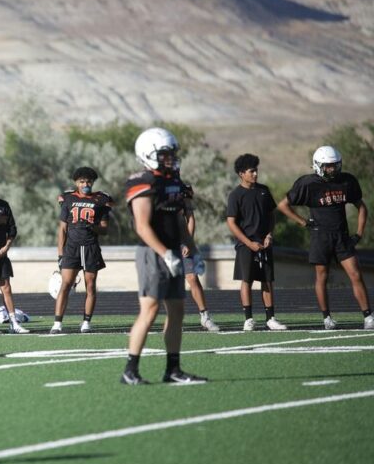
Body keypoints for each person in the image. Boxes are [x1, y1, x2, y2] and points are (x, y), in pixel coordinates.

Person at [121, 128, 208, 385]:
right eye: (164, 154)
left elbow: (178, 222)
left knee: (178, 310)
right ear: (148, 154)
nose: (170, 158)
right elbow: (142, 226)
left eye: (172, 153)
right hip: (152, 253)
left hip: (172, 252)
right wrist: (165, 253)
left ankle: (173, 369)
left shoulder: (174, 181)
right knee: (149, 309)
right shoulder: (142, 181)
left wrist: (192, 250)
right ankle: (130, 370)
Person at [277, 145, 373, 330]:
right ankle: (326, 318)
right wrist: (303, 222)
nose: (332, 169)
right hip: (320, 237)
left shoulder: (347, 181)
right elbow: (283, 205)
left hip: (342, 237)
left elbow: (361, 207)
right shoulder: (307, 184)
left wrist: (359, 233)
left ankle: (368, 316)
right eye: (328, 166)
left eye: (335, 165)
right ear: (318, 165)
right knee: (322, 276)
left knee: (355, 273)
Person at [226, 154, 287, 331]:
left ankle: (270, 319)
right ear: (241, 173)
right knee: (247, 281)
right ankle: (249, 319)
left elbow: (271, 216)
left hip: (264, 244)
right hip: (246, 246)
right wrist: (248, 243)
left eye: (256, 170)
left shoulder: (264, 191)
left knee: (267, 281)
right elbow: (231, 222)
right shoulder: (235, 195)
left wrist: (269, 235)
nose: (255, 174)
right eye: (251, 171)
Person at [52, 167, 111, 334]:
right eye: (82, 181)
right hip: (72, 248)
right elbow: (62, 229)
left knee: (90, 286)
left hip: (91, 247)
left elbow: (105, 229)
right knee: (65, 285)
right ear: (76, 182)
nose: (85, 184)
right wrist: (60, 254)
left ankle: (86, 322)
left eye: (88, 181)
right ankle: (57, 323)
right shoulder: (69, 199)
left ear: (93, 182)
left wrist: (94, 227)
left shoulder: (101, 200)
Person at [0, 178, 28, 334]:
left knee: (6, 287)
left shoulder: (4, 205)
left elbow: (12, 230)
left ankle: (13, 322)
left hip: (1, 253)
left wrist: (6, 246)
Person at [180, 180, 220, 332]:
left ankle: (205, 316)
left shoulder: (183, 189)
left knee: (192, 277)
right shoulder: (157, 187)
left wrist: (189, 242)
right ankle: (173, 319)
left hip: (181, 241)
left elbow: (190, 217)